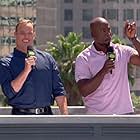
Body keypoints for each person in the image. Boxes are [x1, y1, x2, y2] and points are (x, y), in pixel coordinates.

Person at [0, 18, 68, 115]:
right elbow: (9, 92)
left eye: (30, 33)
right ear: (15, 34)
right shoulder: (5, 63)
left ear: (34, 35)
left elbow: (59, 91)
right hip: (20, 118)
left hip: (46, 117)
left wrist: (65, 119)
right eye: (22, 33)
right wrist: (26, 70)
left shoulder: (48, 59)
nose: (26, 36)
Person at [75, 17, 140, 115]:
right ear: (93, 34)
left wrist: (133, 39)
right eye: (103, 31)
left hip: (124, 115)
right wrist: (103, 71)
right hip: (98, 119)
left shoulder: (122, 51)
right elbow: (84, 90)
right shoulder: (84, 58)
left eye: (109, 29)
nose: (108, 33)